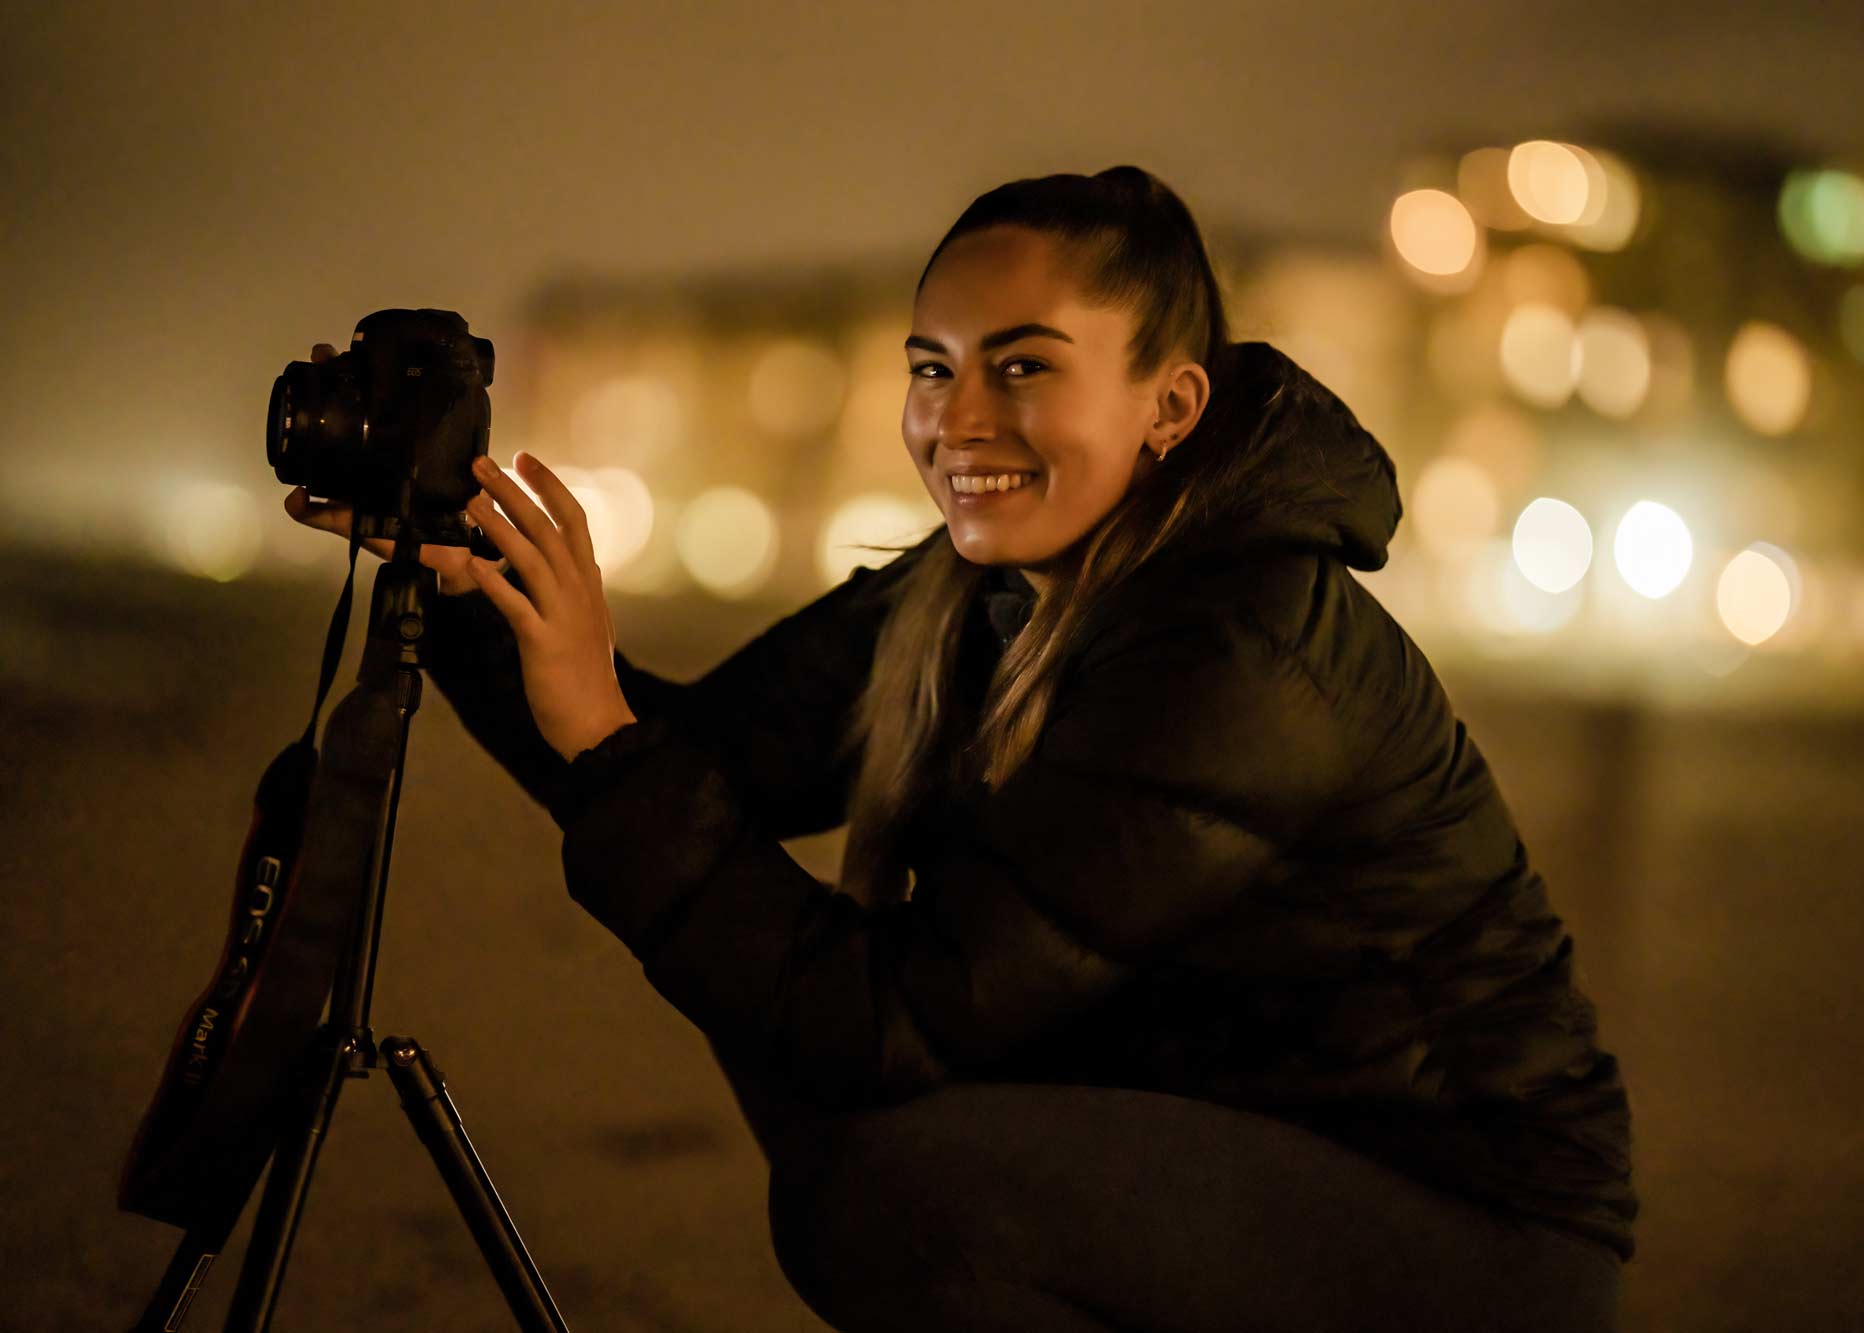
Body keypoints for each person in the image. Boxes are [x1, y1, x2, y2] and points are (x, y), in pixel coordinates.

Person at [285, 165, 1636, 1332]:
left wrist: (604, 733)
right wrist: (473, 596)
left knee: (892, 1190)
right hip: (1216, 1122)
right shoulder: (977, 589)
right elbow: (687, 767)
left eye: (1025, 365)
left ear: (1170, 406)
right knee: (812, 1073)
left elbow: (890, 1022)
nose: (960, 420)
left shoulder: (1241, 649)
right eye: (933, 368)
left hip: (1459, 1216)